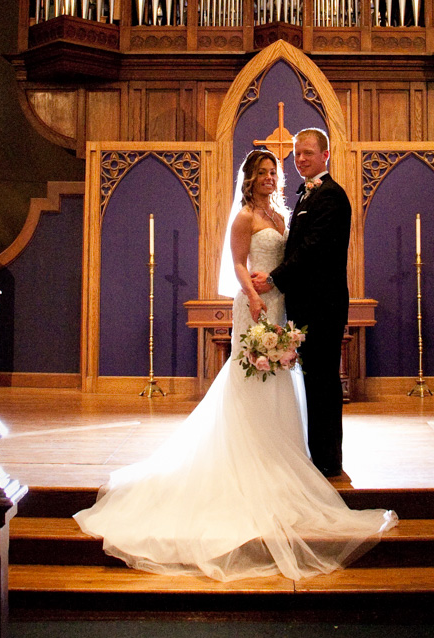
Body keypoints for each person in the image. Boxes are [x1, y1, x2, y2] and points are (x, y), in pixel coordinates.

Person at [73, 148, 395, 580]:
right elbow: (239, 263)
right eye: (261, 172)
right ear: (249, 178)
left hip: (282, 302)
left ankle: (282, 457)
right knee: (253, 373)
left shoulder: (281, 213)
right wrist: (256, 296)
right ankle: (252, 457)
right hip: (257, 303)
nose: (269, 177)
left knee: (280, 377)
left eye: (272, 171)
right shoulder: (244, 217)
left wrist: (276, 289)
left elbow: (298, 255)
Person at [252, 128, 349, 478]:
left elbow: (313, 249)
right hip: (306, 305)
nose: (301, 158)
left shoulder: (331, 195)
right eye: (297, 153)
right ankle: (319, 454)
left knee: (323, 382)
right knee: (313, 382)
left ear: (325, 155)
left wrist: (274, 278)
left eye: (308, 152)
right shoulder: (308, 193)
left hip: (323, 306)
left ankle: (329, 461)